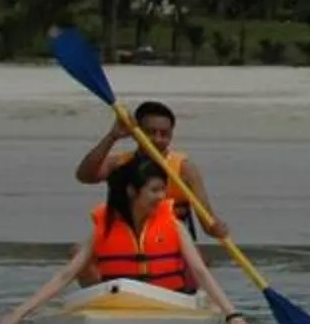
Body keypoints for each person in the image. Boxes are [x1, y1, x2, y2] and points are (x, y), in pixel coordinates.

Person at [1, 157, 250, 324]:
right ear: (133, 191)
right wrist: (19, 313)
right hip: (120, 303)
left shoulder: (173, 224)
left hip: (169, 304)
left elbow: (199, 271)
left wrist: (232, 313)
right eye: (155, 190)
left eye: (163, 190)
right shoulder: (106, 224)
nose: (162, 197)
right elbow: (66, 274)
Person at [74, 100, 230, 242]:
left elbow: (207, 221)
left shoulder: (184, 168)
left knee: (203, 260)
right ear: (136, 133)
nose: (157, 139)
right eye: (150, 132)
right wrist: (112, 137)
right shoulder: (120, 163)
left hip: (171, 240)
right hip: (127, 237)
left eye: (164, 134)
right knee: (76, 253)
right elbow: (84, 176)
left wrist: (217, 228)